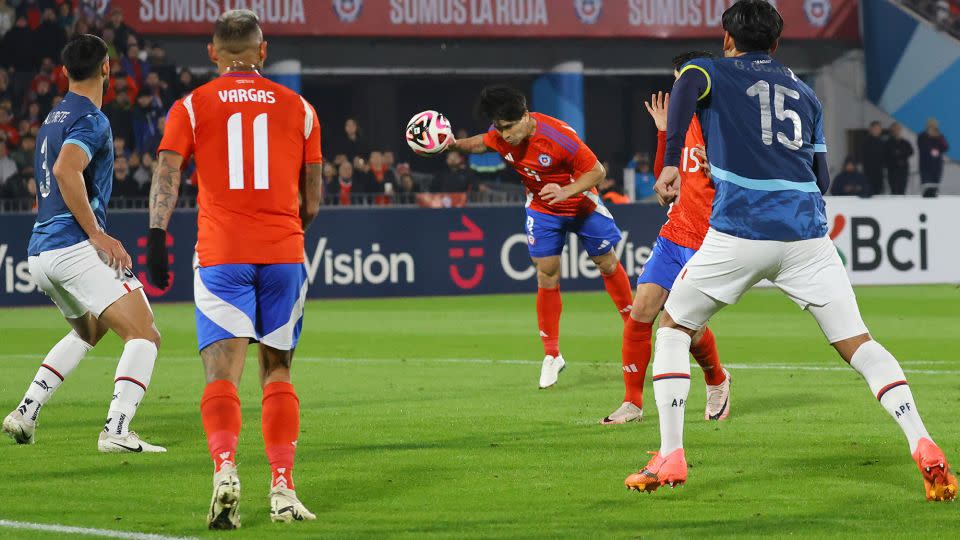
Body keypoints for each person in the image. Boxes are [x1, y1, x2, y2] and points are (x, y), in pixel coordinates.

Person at [624, 0, 957, 502]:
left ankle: (671, 453)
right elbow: (821, 178)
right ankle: (924, 442)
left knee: (673, 327)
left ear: (727, 39)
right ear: (777, 44)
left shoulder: (709, 69)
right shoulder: (805, 93)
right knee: (860, 345)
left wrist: (672, 160)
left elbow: (688, 82)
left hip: (741, 231)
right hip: (807, 237)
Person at [146, 10, 323, 528]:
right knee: (278, 370)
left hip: (222, 254)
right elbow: (311, 200)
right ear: (262, 52)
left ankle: (225, 468)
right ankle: (284, 488)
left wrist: (157, 235)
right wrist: (287, 232)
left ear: (212, 53)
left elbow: (167, 171)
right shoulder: (302, 108)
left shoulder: (192, 105)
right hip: (283, 253)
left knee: (221, 375)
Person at [1, 34, 165, 454]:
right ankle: (117, 429)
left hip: (41, 251)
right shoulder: (92, 119)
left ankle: (26, 411)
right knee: (144, 333)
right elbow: (65, 170)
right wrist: (97, 234)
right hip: (74, 246)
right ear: (107, 68)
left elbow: (49, 178)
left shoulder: (52, 118)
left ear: (64, 72)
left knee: (89, 331)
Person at [447, 85, 635, 389]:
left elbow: (597, 172)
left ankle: (633, 325)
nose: (504, 135)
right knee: (546, 272)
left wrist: (565, 191)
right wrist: (453, 145)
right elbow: (482, 143)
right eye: (499, 127)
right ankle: (552, 355)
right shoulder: (501, 132)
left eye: (508, 127)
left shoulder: (558, 137)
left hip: (580, 203)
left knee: (607, 263)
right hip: (542, 209)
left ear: (525, 116)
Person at [602, 54, 730, 426]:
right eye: (677, 84)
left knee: (683, 326)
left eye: (684, 82)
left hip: (710, 240)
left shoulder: (723, 122)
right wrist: (662, 132)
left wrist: (721, 168)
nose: (680, 91)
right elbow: (665, 181)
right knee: (641, 313)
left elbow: (745, 180)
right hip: (675, 233)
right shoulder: (681, 123)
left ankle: (718, 379)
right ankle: (632, 403)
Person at [917, 118, 949, 198]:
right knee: (927, 188)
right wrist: (932, 148)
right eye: (931, 124)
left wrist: (938, 137)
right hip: (926, 166)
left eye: (934, 125)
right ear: (927, 126)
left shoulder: (940, 136)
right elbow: (923, 147)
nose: (933, 126)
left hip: (937, 165)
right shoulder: (922, 136)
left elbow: (945, 147)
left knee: (935, 188)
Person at [885, 122, 913, 195]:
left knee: (902, 189)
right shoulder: (888, 142)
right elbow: (886, 154)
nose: (896, 131)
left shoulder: (904, 142)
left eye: (898, 129)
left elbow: (911, 151)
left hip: (903, 169)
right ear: (891, 130)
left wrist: (900, 153)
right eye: (895, 129)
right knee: (894, 189)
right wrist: (896, 154)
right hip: (892, 169)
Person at [861, 121, 886, 195]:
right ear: (870, 129)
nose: (877, 130)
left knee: (879, 191)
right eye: (875, 128)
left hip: (879, 171)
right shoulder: (866, 142)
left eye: (878, 128)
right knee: (869, 191)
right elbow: (864, 157)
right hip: (869, 172)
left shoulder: (882, 142)